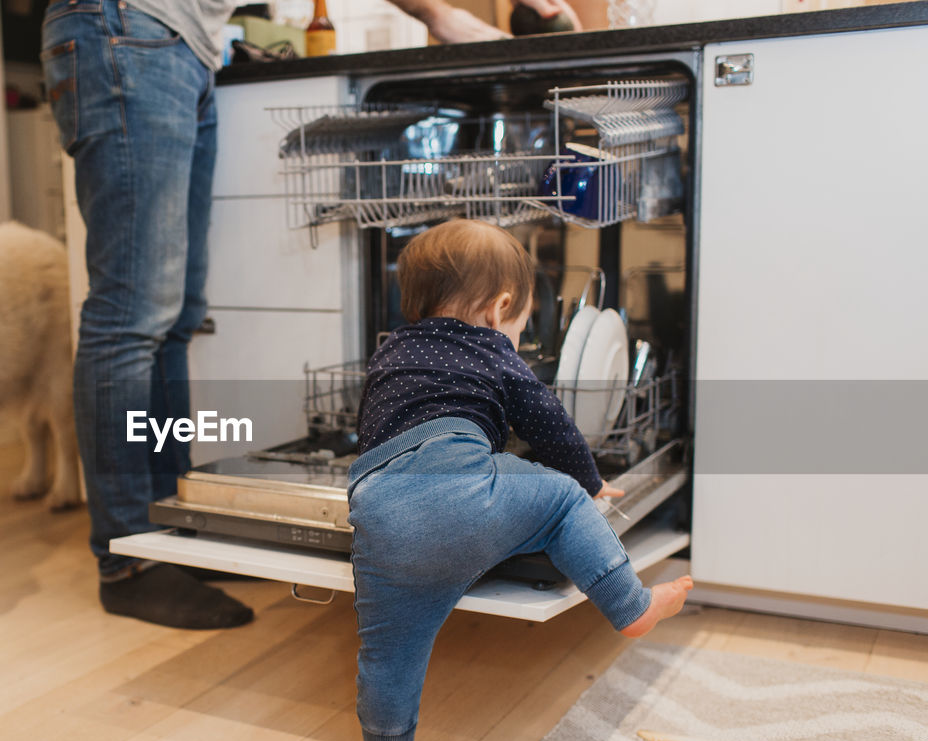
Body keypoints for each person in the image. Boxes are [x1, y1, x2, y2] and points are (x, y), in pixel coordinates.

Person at [39, 0, 581, 632]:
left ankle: (162, 528)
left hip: (177, 44)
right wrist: (441, 14)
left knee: (174, 315)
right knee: (131, 316)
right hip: (125, 29)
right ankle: (125, 559)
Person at [343, 219, 693, 741]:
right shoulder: (494, 351)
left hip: (380, 511)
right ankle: (631, 605)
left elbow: (376, 433)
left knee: (388, 655)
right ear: (500, 307)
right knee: (558, 498)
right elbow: (548, 425)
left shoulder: (390, 352)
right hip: (462, 488)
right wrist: (588, 478)